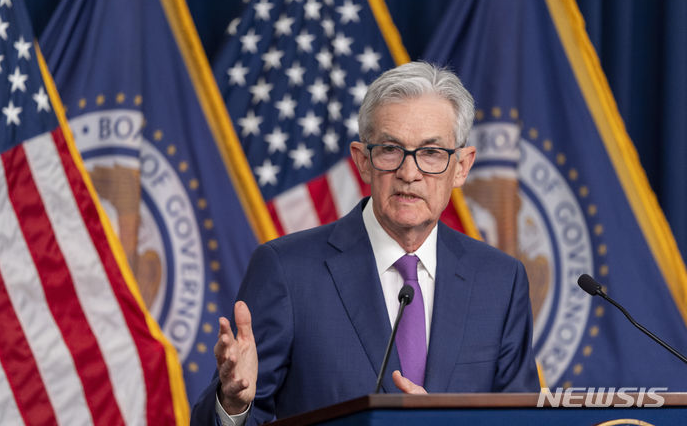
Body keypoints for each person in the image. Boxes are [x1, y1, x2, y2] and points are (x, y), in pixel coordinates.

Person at [191, 61, 540, 425]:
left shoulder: (500, 281)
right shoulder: (287, 271)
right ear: (363, 161)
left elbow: (523, 422)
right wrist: (233, 405)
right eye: (391, 149)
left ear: (462, 166)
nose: (409, 173)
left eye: (431, 153)